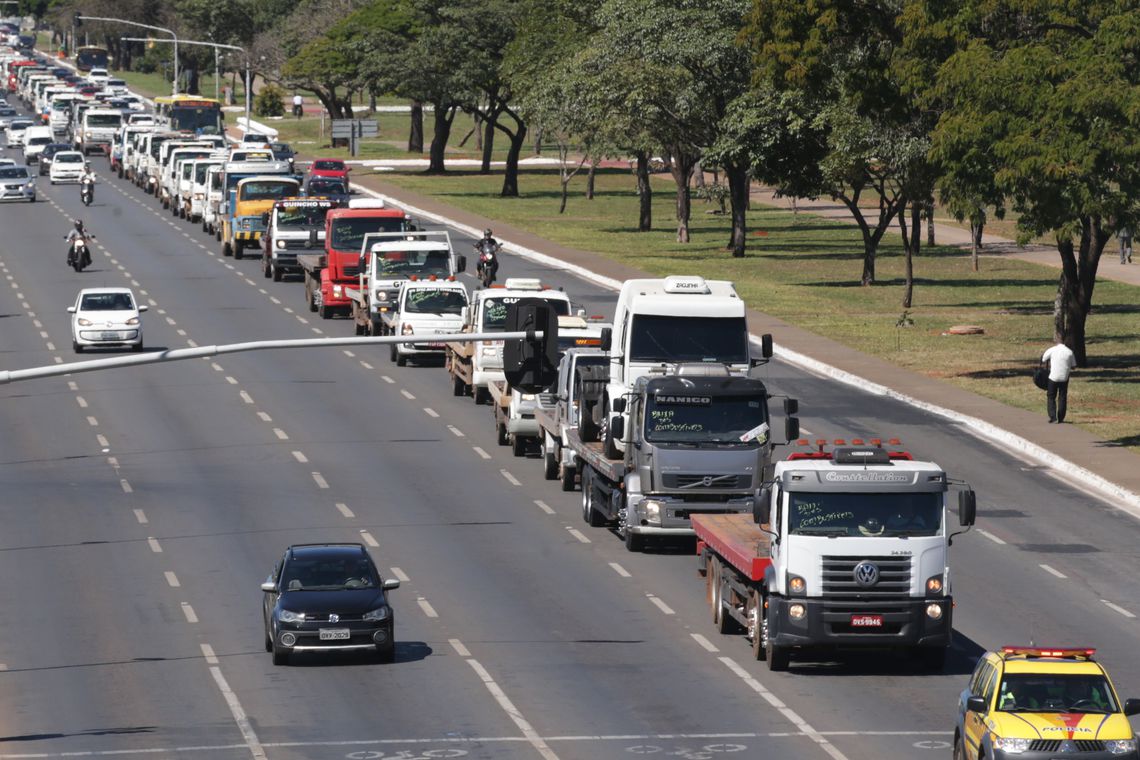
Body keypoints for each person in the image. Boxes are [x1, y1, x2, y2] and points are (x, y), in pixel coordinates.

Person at [1041, 340, 1077, 423]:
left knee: (1051, 396)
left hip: (1053, 377)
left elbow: (1043, 359)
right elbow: (1074, 366)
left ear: (1056, 342)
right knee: (1062, 397)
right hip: (1064, 378)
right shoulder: (1069, 352)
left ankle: (1053, 417)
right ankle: (1061, 417)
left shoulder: (1052, 350)